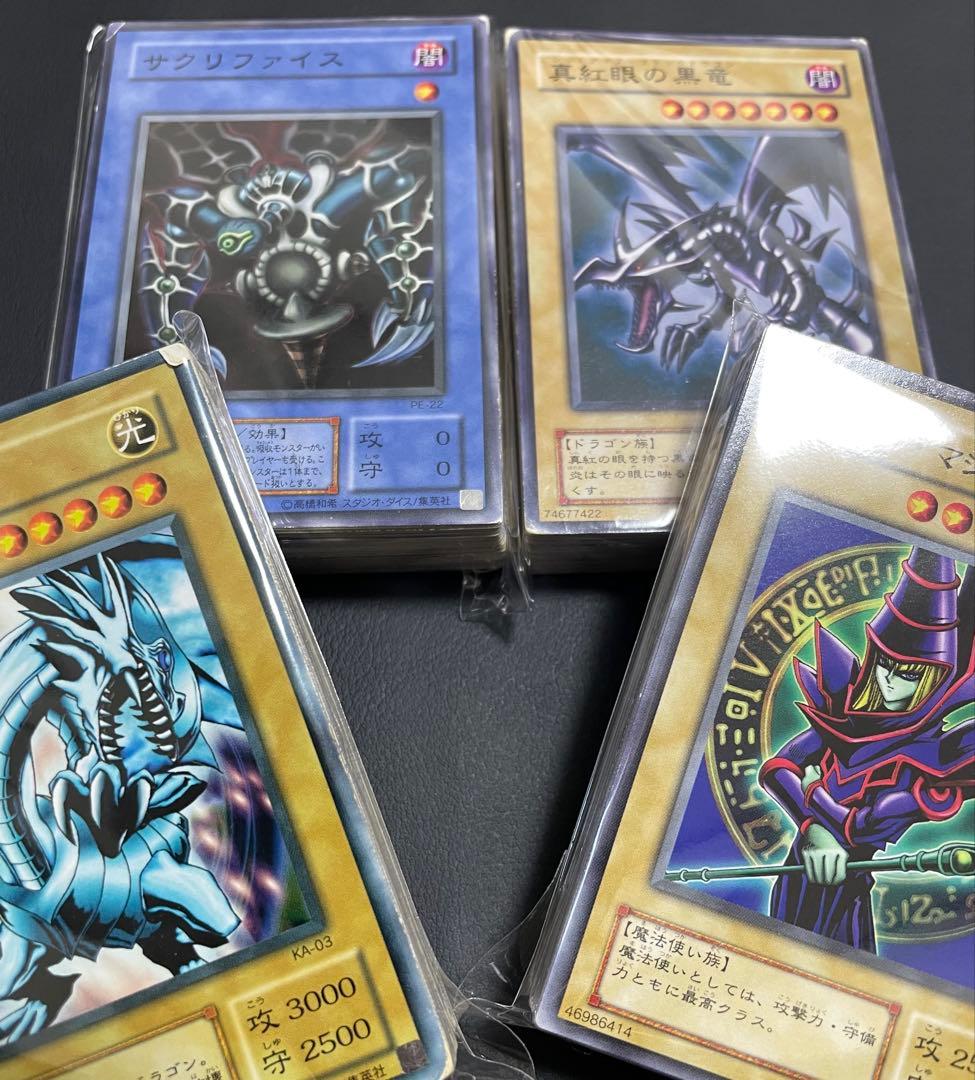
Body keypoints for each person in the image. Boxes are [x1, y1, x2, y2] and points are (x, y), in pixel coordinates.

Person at [758, 546, 974, 951]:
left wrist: (814, 793)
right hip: (801, 865)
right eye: (884, 666)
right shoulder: (848, 715)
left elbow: (863, 826)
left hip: (845, 878)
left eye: (909, 675)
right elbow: (778, 767)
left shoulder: (929, 757)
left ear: (933, 680)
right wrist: (814, 829)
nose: (889, 681)